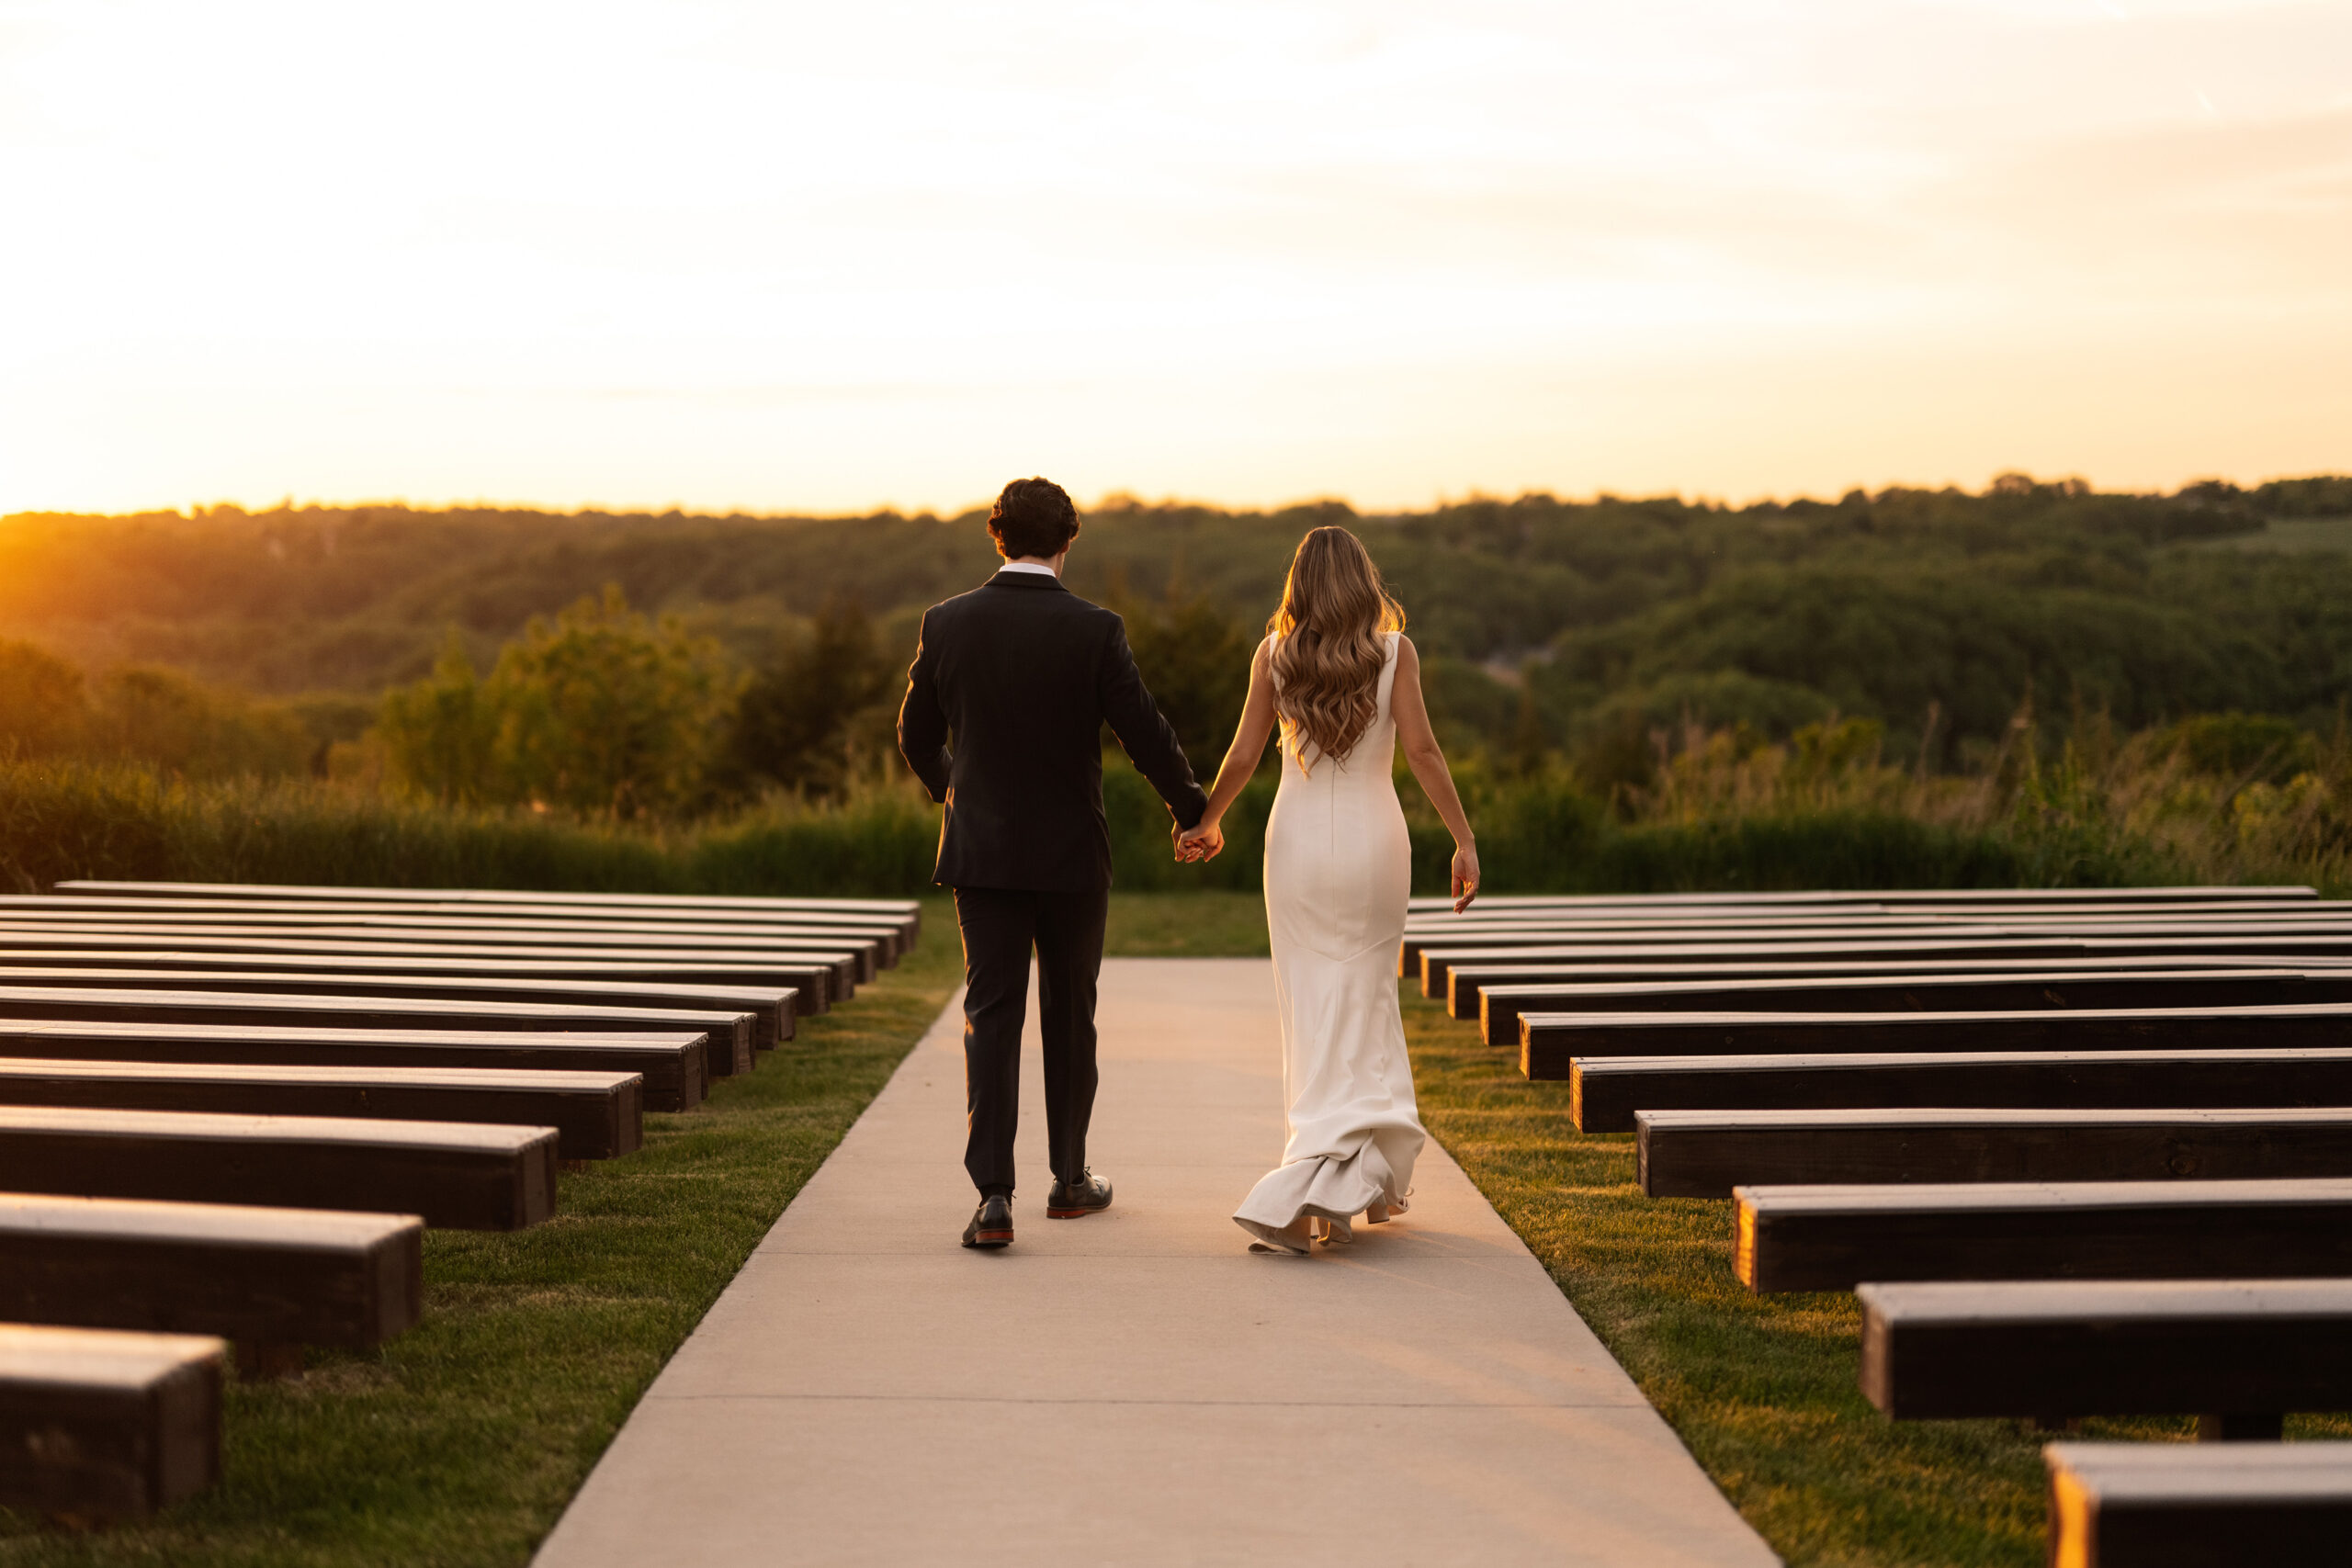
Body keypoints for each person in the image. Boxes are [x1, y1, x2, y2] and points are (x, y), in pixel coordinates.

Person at [899, 477, 1209, 1250]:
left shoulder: (947, 623)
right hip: (1073, 858)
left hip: (983, 856)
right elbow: (1146, 732)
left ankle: (993, 1199)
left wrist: (955, 792)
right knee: (1071, 1014)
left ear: (997, 538)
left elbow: (913, 735)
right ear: (1068, 539)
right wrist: (1192, 810)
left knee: (991, 1017)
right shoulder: (1095, 629)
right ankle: (1069, 1182)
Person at [1177, 525, 1479, 1254]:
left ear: (1299, 584)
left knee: (1311, 1009)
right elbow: (1424, 750)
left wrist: (1205, 820)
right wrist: (1464, 839)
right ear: (1362, 581)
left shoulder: (1273, 655)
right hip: (1378, 846)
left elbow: (1246, 752)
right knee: (1369, 1003)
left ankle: (1318, 1180)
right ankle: (1352, 1177)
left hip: (1299, 850)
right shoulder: (1395, 653)